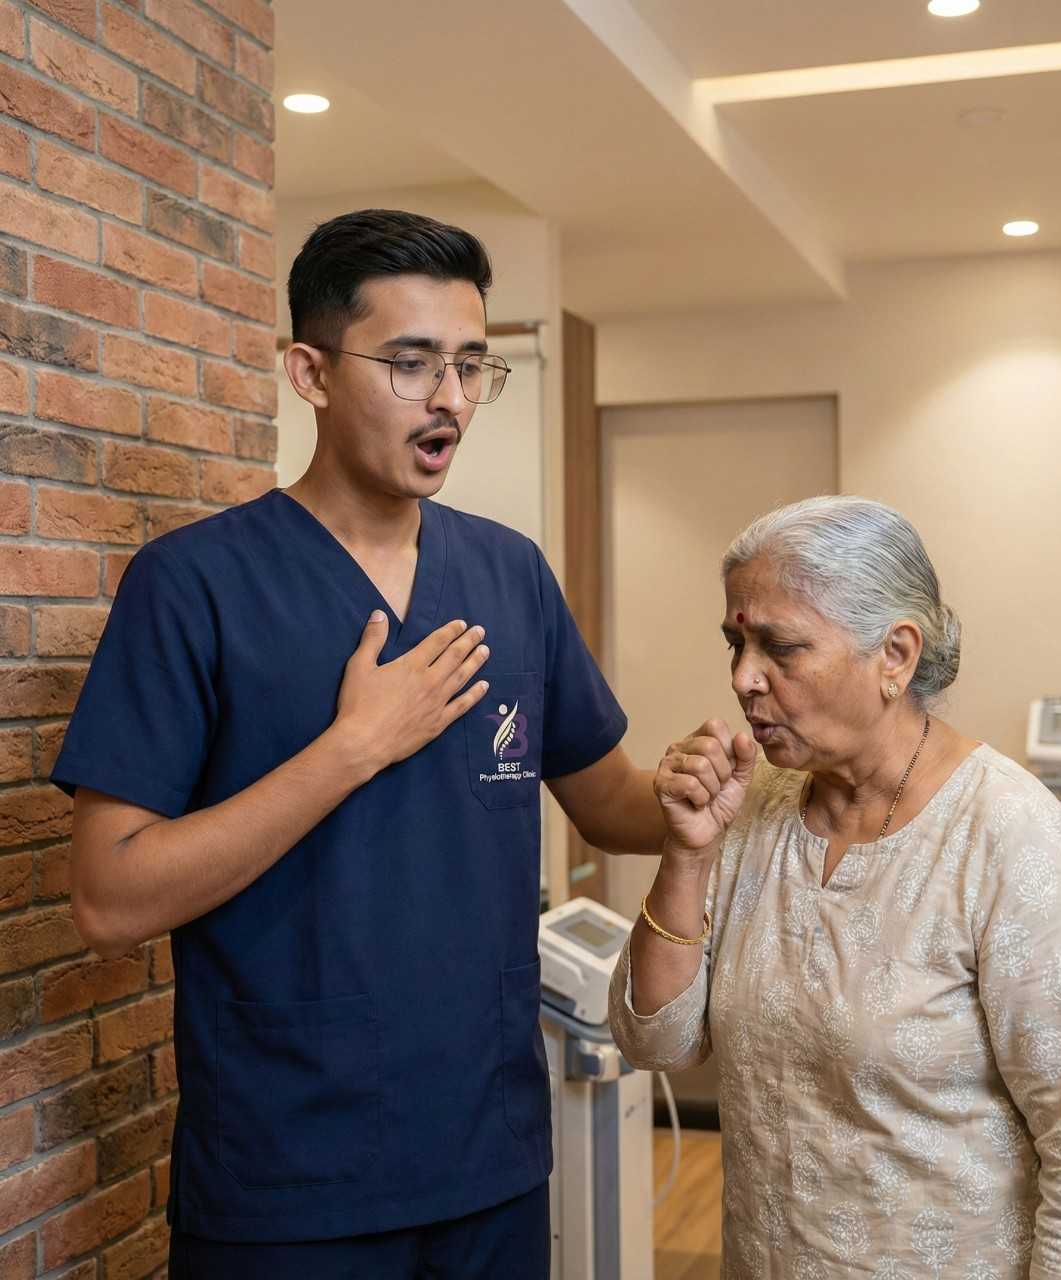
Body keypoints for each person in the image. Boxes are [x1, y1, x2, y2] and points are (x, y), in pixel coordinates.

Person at [52, 209, 665, 1279]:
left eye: (472, 366)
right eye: (413, 363)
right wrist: (350, 748)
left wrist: (733, 786)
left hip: (489, 1154)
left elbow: (610, 799)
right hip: (289, 1178)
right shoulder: (196, 584)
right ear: (311, 369)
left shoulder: (508, 573)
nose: (451, 400)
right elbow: (110, 896)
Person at [610, 495, 1061, 1279]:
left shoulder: (1007, 839)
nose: (743, 679)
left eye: (780, 649)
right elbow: (655, 1042)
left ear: (895, 655)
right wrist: (687, 854)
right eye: (734, 643)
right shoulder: (760, 808)